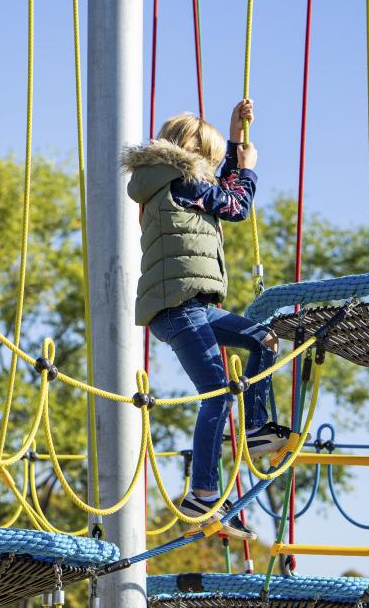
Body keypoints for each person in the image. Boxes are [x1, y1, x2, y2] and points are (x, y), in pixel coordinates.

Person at [123, 100, 289, 541]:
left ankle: (254, 429)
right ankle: (202, 491)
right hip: (179, 307)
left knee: (264, 340)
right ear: (192, 154)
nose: (216, 169)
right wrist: (248, 169)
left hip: (193, 306)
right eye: (213, 160)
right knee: (216, 395)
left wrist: (236, 140)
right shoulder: (180, 182)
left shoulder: (173, 183)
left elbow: (218, 193)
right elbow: (235, 206)